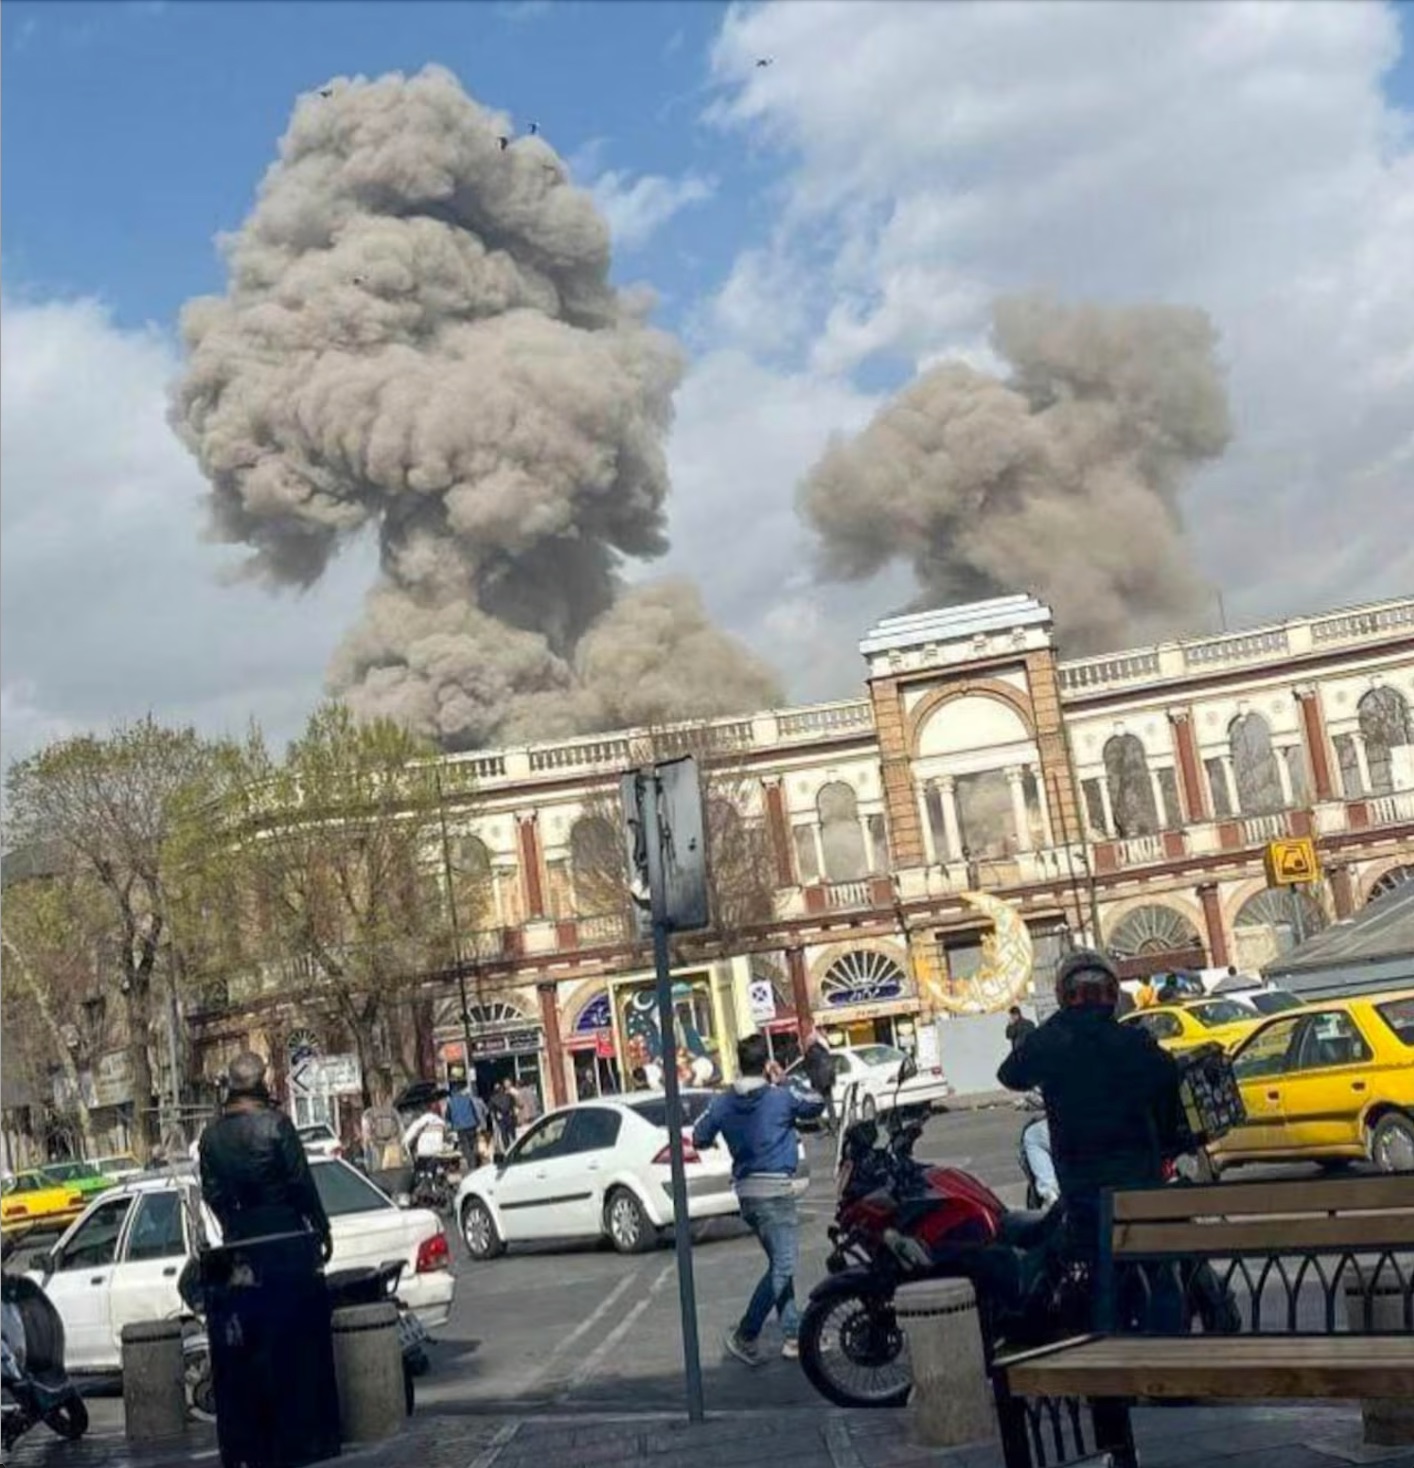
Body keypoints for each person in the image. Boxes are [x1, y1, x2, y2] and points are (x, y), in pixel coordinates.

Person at [998, 949, 1185, 1329]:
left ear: (1064, 996)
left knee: (1098, 1273)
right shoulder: (1132, 1042)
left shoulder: (1054, 1041)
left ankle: (1105, 1355)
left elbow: (1011, 1073)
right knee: (1159, 1270)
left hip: (1084, 1188)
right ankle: (1173, 1355)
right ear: (1113, 995)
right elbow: (1169, 1078)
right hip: (1139, 1185)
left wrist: (1058, 1025)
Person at [693, 1033, 824, 1365]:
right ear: (766, 1064)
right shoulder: (779, 1097)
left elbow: (699, 1136)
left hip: (747, 1193)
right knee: (784, 1264)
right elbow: (815, 1102)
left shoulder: (722, 1101)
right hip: (776, 1191)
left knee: (779, 1264)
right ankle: (746, 1334)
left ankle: (794, 1336)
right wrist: (785, 1079)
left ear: (738, 1063)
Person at [198, 1051, 333, 1259]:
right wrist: (321, 1227)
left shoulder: (211, 1136)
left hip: (240, 1244)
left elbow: (212, 1192)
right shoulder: (278, 1125)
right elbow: (301, 1182)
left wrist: (231, 1223)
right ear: (261, 1083)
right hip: (286, 1238)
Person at [802, 1029, 838, 1135]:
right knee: (830, 1104)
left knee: (815, 1105)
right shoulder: (823, 1049)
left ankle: (823, 1127)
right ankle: (834, 1126)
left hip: (818, 1082)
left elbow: (806, 1067)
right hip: (827, 1081)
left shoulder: (810, 1053)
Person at [445, 1081, 486, 1170]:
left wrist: (451, 1125)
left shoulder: (451, 1102)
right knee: (473, 1144)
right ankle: (475, 1161)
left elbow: (447, 1116)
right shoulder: (467, 1099)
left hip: (460, 1127)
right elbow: (473, 1111)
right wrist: (477, 1123)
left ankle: (472, 1164)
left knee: (465, 1147)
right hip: (472, 1124)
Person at [489, 1080, 519, 1155]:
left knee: (504, 1135)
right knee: (512, 1134)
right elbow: (514, 1105)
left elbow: (491, 1109)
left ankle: (508, 1150)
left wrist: (496, 1116)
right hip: (509, 1116)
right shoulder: (508, 1096)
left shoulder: (493, 1099)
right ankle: (516, 1148)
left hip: (501, 1119)